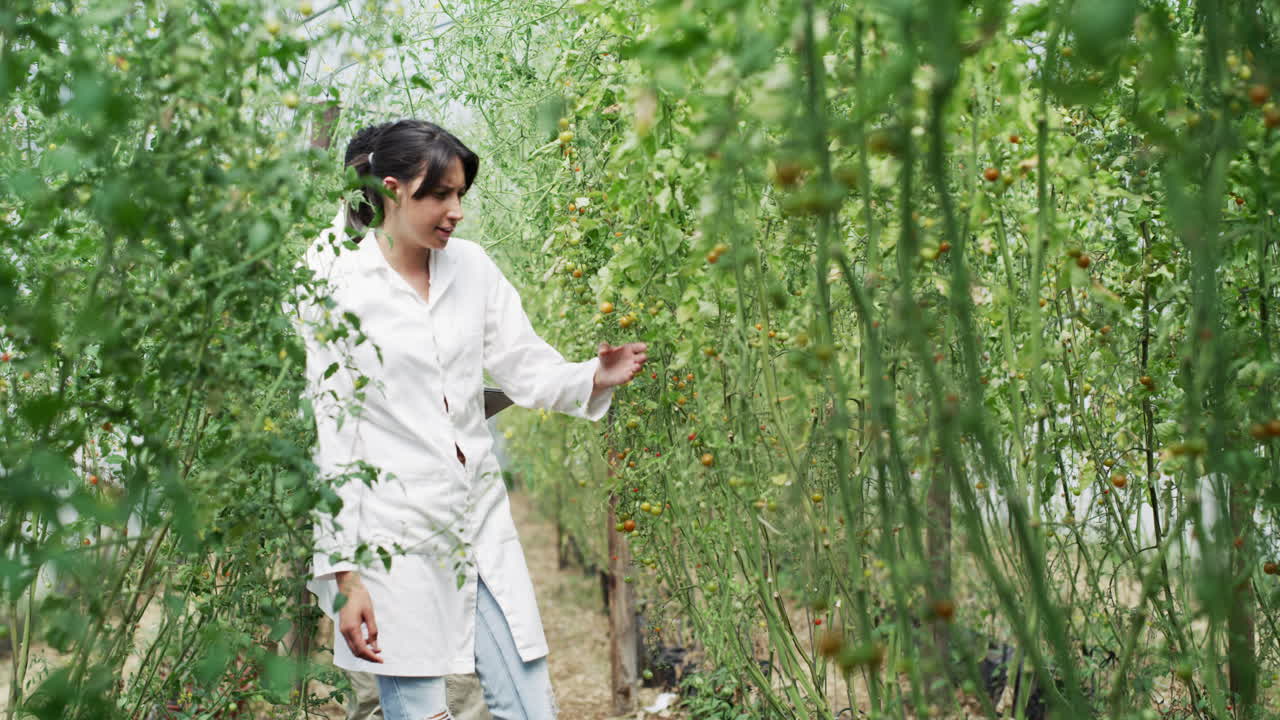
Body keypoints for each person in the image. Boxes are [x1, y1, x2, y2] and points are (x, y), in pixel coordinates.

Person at [294, 119, 647, 720]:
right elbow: (335, 437)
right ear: (392, 189)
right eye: (439, 194)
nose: (455, 210)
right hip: (392, 536)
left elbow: (524, 364)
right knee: (418, 710)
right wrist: (345, 574)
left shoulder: (472, 269)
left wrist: (591, 375)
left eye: (460, 195)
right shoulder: (336, 284)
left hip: (475, 518)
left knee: (531, 706)